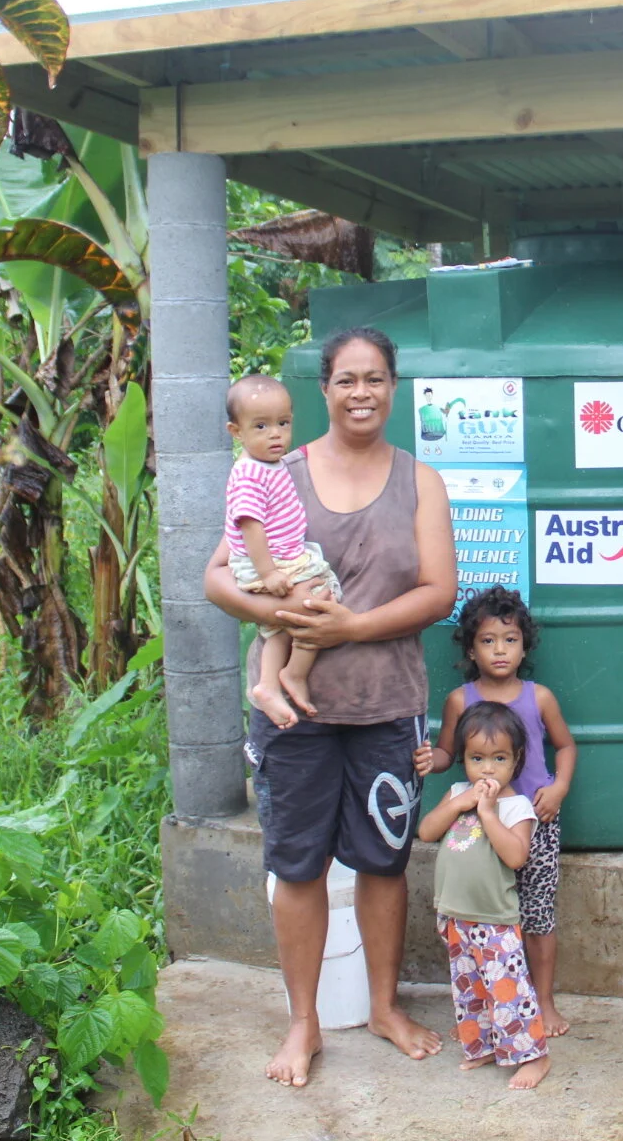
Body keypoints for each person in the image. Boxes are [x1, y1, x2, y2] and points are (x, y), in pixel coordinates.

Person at [203, 326, 456, 1088]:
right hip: (294, 714)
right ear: (324, 388)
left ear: (394, 385)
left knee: (384, 861)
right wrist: (269, 611)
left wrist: (352, 626)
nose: (361, 393)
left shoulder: (421, 481)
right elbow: (218, 576)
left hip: (387, 704)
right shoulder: (278, 469)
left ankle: (384, 1006)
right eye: (346, 379)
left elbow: (438, 593)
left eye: (375, 378)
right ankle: (303, 1023)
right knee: (298, 863)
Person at [416, 585, 576, 1038]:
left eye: (509, 639)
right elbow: (449, 752)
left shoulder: (538, 697)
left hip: (535, 821)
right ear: (471, 648)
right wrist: (434, 761)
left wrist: (558, 788)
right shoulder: (460, 701)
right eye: (488, 640)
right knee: (486, 918)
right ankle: (489, 1006)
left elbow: (564, 746)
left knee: (538, 915)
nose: (499, 650)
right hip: (478, 826)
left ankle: (542, 1002)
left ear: (525, 644)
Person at [416, 701, 551, 1090]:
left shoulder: (515, 807)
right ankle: (484, 1047)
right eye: (477, 758)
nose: (487, 769)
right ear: (463, 760)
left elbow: (516, 856)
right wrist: (460, 803)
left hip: (494, 919)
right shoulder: (458, 793)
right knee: (470, 989)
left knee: (508, 989)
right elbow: (427, 832)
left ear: (516, 760)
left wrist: (488, 814)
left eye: (498, 758)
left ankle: (534, 1056)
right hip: (455, 914)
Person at [222, 375, 338, 725]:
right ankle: (296, 673)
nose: (275, 434)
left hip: (281, 557)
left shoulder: (270, 465)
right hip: (267, 562)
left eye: (283, 423)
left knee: (277, 629)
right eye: (261, 426)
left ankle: (268, 685)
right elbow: (249, 527)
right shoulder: (249, 474)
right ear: (236, 431)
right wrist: (269, 572)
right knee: (321, 597)